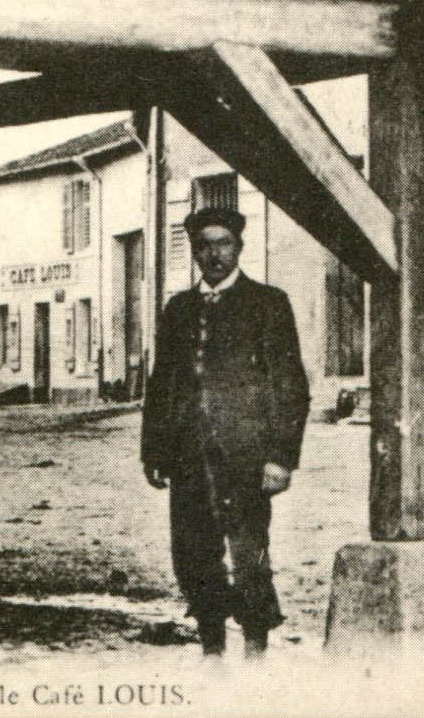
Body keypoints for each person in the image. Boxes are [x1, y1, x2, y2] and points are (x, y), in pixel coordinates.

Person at [141, 206, 310, 658]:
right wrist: (154, 453)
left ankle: (255, 651)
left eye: (224, 244)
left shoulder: (267, 304)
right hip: (189, 458)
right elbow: (162, 385)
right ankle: (211, 650)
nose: (214, 254)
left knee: (249, 556)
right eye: (205, 245)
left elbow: (290, 386)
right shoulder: (178, 309)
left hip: (247, 459)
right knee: (194, 557)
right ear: (194, 252)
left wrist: (281, 457)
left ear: (239, 248)